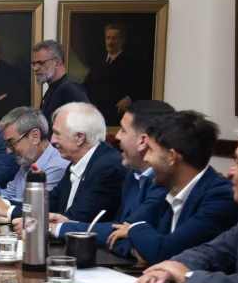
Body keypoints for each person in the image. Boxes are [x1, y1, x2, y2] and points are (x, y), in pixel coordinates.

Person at [137, 116, 238, 283]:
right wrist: (169, 269)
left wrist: (189, 278)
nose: (230, 172)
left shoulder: (222, 196)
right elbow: (213, 251)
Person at [101, 111, 238, 264]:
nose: (146, 158)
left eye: (151, 150)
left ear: (172, 157)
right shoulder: (166, 191)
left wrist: (134, 230)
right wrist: (140, 248)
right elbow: (119, 238)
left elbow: (165, 252)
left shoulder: (221, 198)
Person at [56, 100, 174, 251]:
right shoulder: (132, 175)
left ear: (143, 141)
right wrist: (69, 224)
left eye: (123, 130)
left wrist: (60, 229)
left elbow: (128, 233)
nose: (117, 136)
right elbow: (118, 229)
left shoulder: (164, 181)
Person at [9, 103, 125, 223]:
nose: (53, 140)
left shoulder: (107, 166)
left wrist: (10, 211)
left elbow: (75, 219)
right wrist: (7, 207)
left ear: (80, 137)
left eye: (57, 133)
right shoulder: (75, 163)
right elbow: (51, 202)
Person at [0, 106, 70, 217]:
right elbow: (7, 197)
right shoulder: (26, 164)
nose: (8, 151)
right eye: (6, 144)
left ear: (35, 136)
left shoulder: (58, 166)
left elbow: (35, 207)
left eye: (12, 143)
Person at [82, 24, 151, 126]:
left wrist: (129, 99)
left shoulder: (132, 63)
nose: (110, 42)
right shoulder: (98, 63)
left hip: (119, 117)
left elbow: (142, 87)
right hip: (97, 115)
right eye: (108, 38)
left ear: (122, 40)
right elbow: (87, 85)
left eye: (114, 38)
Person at [32, 39, 89, 127]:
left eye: (40, 63)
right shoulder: (53, 88)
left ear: (57, 62)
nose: (35, 68)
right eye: (34, 64)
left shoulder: (70, 88)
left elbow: (88, 122)